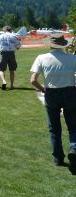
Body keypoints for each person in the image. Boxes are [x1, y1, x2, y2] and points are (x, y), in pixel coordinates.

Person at [30, 34, 76, 172]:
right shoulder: (73, 58)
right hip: (70, 93)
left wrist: (43, 89)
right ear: (63, 45)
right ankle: (74, 149)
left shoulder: (41, 58)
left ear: (50, 44)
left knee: (54, 128)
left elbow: (32, 80)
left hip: (51, 93)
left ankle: (58, 157)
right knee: (73, 126)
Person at [0, 25, 21, 90]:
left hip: (3, 53)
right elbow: (18, 46)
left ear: (4, 30)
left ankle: (4, 81)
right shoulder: (14, 36)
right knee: (12, 70)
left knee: (1, 69)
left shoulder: (1, 36)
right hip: (11, 53)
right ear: (10, 30)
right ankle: (12, 85)